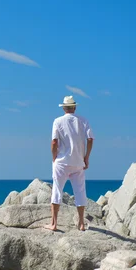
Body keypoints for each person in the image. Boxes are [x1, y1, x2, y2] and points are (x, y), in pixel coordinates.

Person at [44, 95, 94, 231]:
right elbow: (90, 139)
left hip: (62, 162)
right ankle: (82, 223)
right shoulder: (83, 120)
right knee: (80, 192)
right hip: (78, 162)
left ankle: (53, 224)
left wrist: (54, 157)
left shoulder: (58, 121)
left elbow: (54, 142)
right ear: (75, 107)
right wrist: (86, 157)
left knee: (57, 190)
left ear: (64, 108)